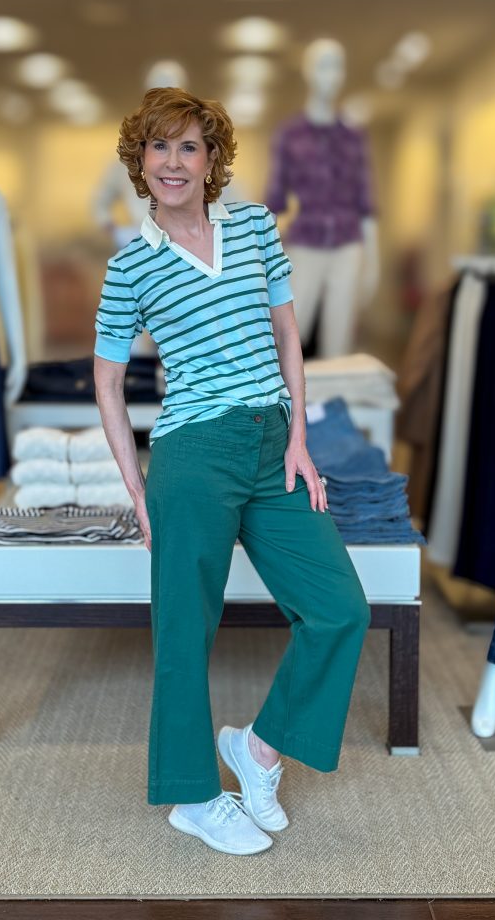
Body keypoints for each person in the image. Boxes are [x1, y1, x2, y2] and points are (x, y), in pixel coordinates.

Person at [93, 87, 370, 856]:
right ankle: (190, 796)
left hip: (271, 443)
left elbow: (288, 334)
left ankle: (256, 750)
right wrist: (139, 490)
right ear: (138, 160)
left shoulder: (253, 227)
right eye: (158, 147)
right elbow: (108, 383)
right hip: (192, 455)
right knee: (185, 631)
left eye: (189, 147)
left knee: (340, 608)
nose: (173, 162)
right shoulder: (130, 268)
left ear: (212, 160)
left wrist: (300, 442)